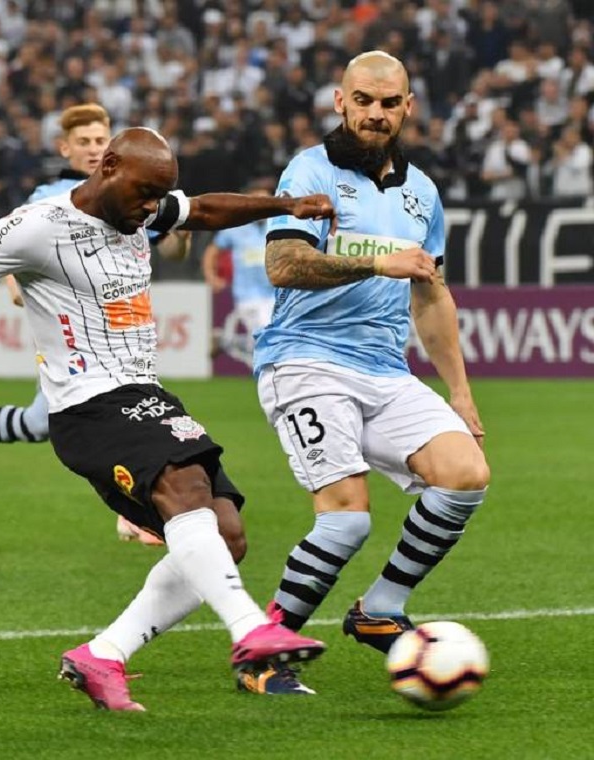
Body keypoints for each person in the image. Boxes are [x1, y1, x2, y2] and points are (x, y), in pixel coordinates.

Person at [0, 128, 337, 711]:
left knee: (226, 534)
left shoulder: (140, 210)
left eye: (159, 197)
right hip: (88, 405)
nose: (152, 208)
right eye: (145, 193)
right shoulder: (37, 226)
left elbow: (203, 209)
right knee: (185, 489)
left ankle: (104, 655)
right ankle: (251, 630)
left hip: (144, 394)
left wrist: (285, 206)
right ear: (109, 166)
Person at [238, 51, 490, 696]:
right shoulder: (310, 170)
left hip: (384, 369)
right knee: (346, 520)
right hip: (306, 360)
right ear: (340, 102)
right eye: (363, 100)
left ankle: (380, 607)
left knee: (465, 474)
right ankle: (261, 654)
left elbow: (431, 295)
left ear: (407, 107)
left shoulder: (422, 192)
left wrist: (460, 392)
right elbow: (285, 266)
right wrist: (379, 264)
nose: (375, 113)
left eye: (388, 102)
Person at [0, 103, 164, 545]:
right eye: (84, 142)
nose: (94, 149)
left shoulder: (125, 193)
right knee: (110, 418)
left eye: (101, 140)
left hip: (121, 333)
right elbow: (12, 258)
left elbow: (163, 244)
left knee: (40, 423)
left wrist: (179, 232)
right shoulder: (49, 196)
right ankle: (135, 510)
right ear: (65, 148)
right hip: (72, 335)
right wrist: (31, 287)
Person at [201, 179, 277, 362]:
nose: (262, 207)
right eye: (257, 203)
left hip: (275, 294)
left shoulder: (276, 225)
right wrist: (211, 276)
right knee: (267, 337)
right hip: (247, 295)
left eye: (265, 202)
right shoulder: (235, 227)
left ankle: (225, 340)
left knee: (266, 339)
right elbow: (212, 251)